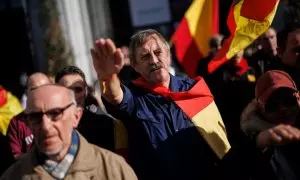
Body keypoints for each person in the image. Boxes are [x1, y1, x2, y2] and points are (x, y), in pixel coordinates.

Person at [91, 29, 277, 180]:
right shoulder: (134, 98)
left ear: (168, 55)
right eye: (145, 57)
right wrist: (108, 76)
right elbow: (115, 96)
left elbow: (220, 143)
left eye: (157, 53)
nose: (154, 61)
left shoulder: (196, 89)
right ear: (135, 66)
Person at [0, 84, 137, 180]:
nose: (46, 126)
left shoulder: (113, 169)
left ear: (76, 116)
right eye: (35, 117)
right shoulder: (12, 176)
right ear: (28, 123)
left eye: (55, 113)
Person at [241, 70, 300, 179]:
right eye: (272, 105)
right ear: (260, 110)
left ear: (298, 98)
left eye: (288, 100)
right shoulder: (257, 147)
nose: (283, 109)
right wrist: (257, 143)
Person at [55, 66, 115, 151]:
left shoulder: (105, 125)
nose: (73, 96)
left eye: (78, 89)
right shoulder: (49, 127)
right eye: (67, 90)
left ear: (86, 91)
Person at [6, 72, 52, 158]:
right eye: (34, 89)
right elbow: (16, 157)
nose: (40, 93)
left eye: (44, 88)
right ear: (26, 92)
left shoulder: (61, 114)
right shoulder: (16, 123)